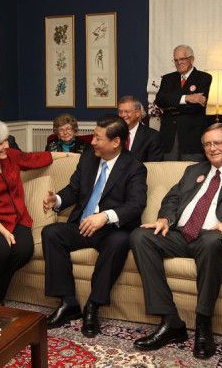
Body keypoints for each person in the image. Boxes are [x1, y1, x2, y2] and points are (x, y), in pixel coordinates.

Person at [129, 123, 222, 359]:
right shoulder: (193, 170)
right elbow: (171, 199)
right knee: (140, 236)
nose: (212, 148)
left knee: (211, 241)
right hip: (181, 233)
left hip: (215, 235)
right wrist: (165, 218)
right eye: (207, 144)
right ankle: (170, 320)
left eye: (218, 143)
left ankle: (204, 324)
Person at [42, 114, 147, 338]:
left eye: (98, 138)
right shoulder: (88, 158)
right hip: (82, 225)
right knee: (51, 232)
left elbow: (136, 205)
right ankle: (68, 302)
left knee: (120, 241)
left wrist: (105, 216)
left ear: (116, 142)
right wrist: (57, 200)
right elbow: (73, 189)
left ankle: (93, 306)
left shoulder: (134, 167)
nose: (93, 142)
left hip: (110, 230)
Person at [0, 118, 76, 305]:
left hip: (17, 218)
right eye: (1, 143)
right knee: (0, 251)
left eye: (6, 140)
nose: (7, 145)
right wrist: (4, 231)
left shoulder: (11, 156)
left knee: (23, 251)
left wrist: (68, 156)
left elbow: (37, 158)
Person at [155, 45, 211, 161]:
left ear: (192, 59)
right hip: (169, 136)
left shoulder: (204, 77)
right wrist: (186, 98)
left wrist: (171, 105)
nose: (178, 62)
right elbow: (160, 100)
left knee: (193, 174)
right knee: (169, 174)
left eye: (182, 59)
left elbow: (196, 106)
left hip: (192, 137)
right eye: (176, 60)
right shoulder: (167, 79)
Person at [117, 95, 163, 162]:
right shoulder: (113, 134)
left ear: (137, 113)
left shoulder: (152, 136)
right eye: (120, 112)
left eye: (127, 111)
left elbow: (154, 167)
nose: (123, 115)